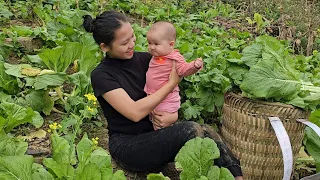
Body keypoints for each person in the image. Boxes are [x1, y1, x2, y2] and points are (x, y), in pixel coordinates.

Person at [83, 10, 243, 180]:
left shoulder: (147, 59)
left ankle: (237, 177)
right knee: (190, 130)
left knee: (207, 130)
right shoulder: (102, 75)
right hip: (128, 145)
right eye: (124, 43)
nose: (132, 44)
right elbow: (135, 112)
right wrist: (171, 83)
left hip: (156, 132)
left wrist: (172, 116)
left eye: (133, 37)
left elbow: (173, 85)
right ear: (104, 47)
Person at [145, 21, 203, 130]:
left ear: (171, 44)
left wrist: (194, 66)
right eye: (149, 43)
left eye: (156, 44)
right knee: (154, 121)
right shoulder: (158, 56)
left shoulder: (174, 58)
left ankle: (164, 140)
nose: (152, 47)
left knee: (160, 122)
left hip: (166, 99)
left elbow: (183, 70)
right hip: (154, 96)